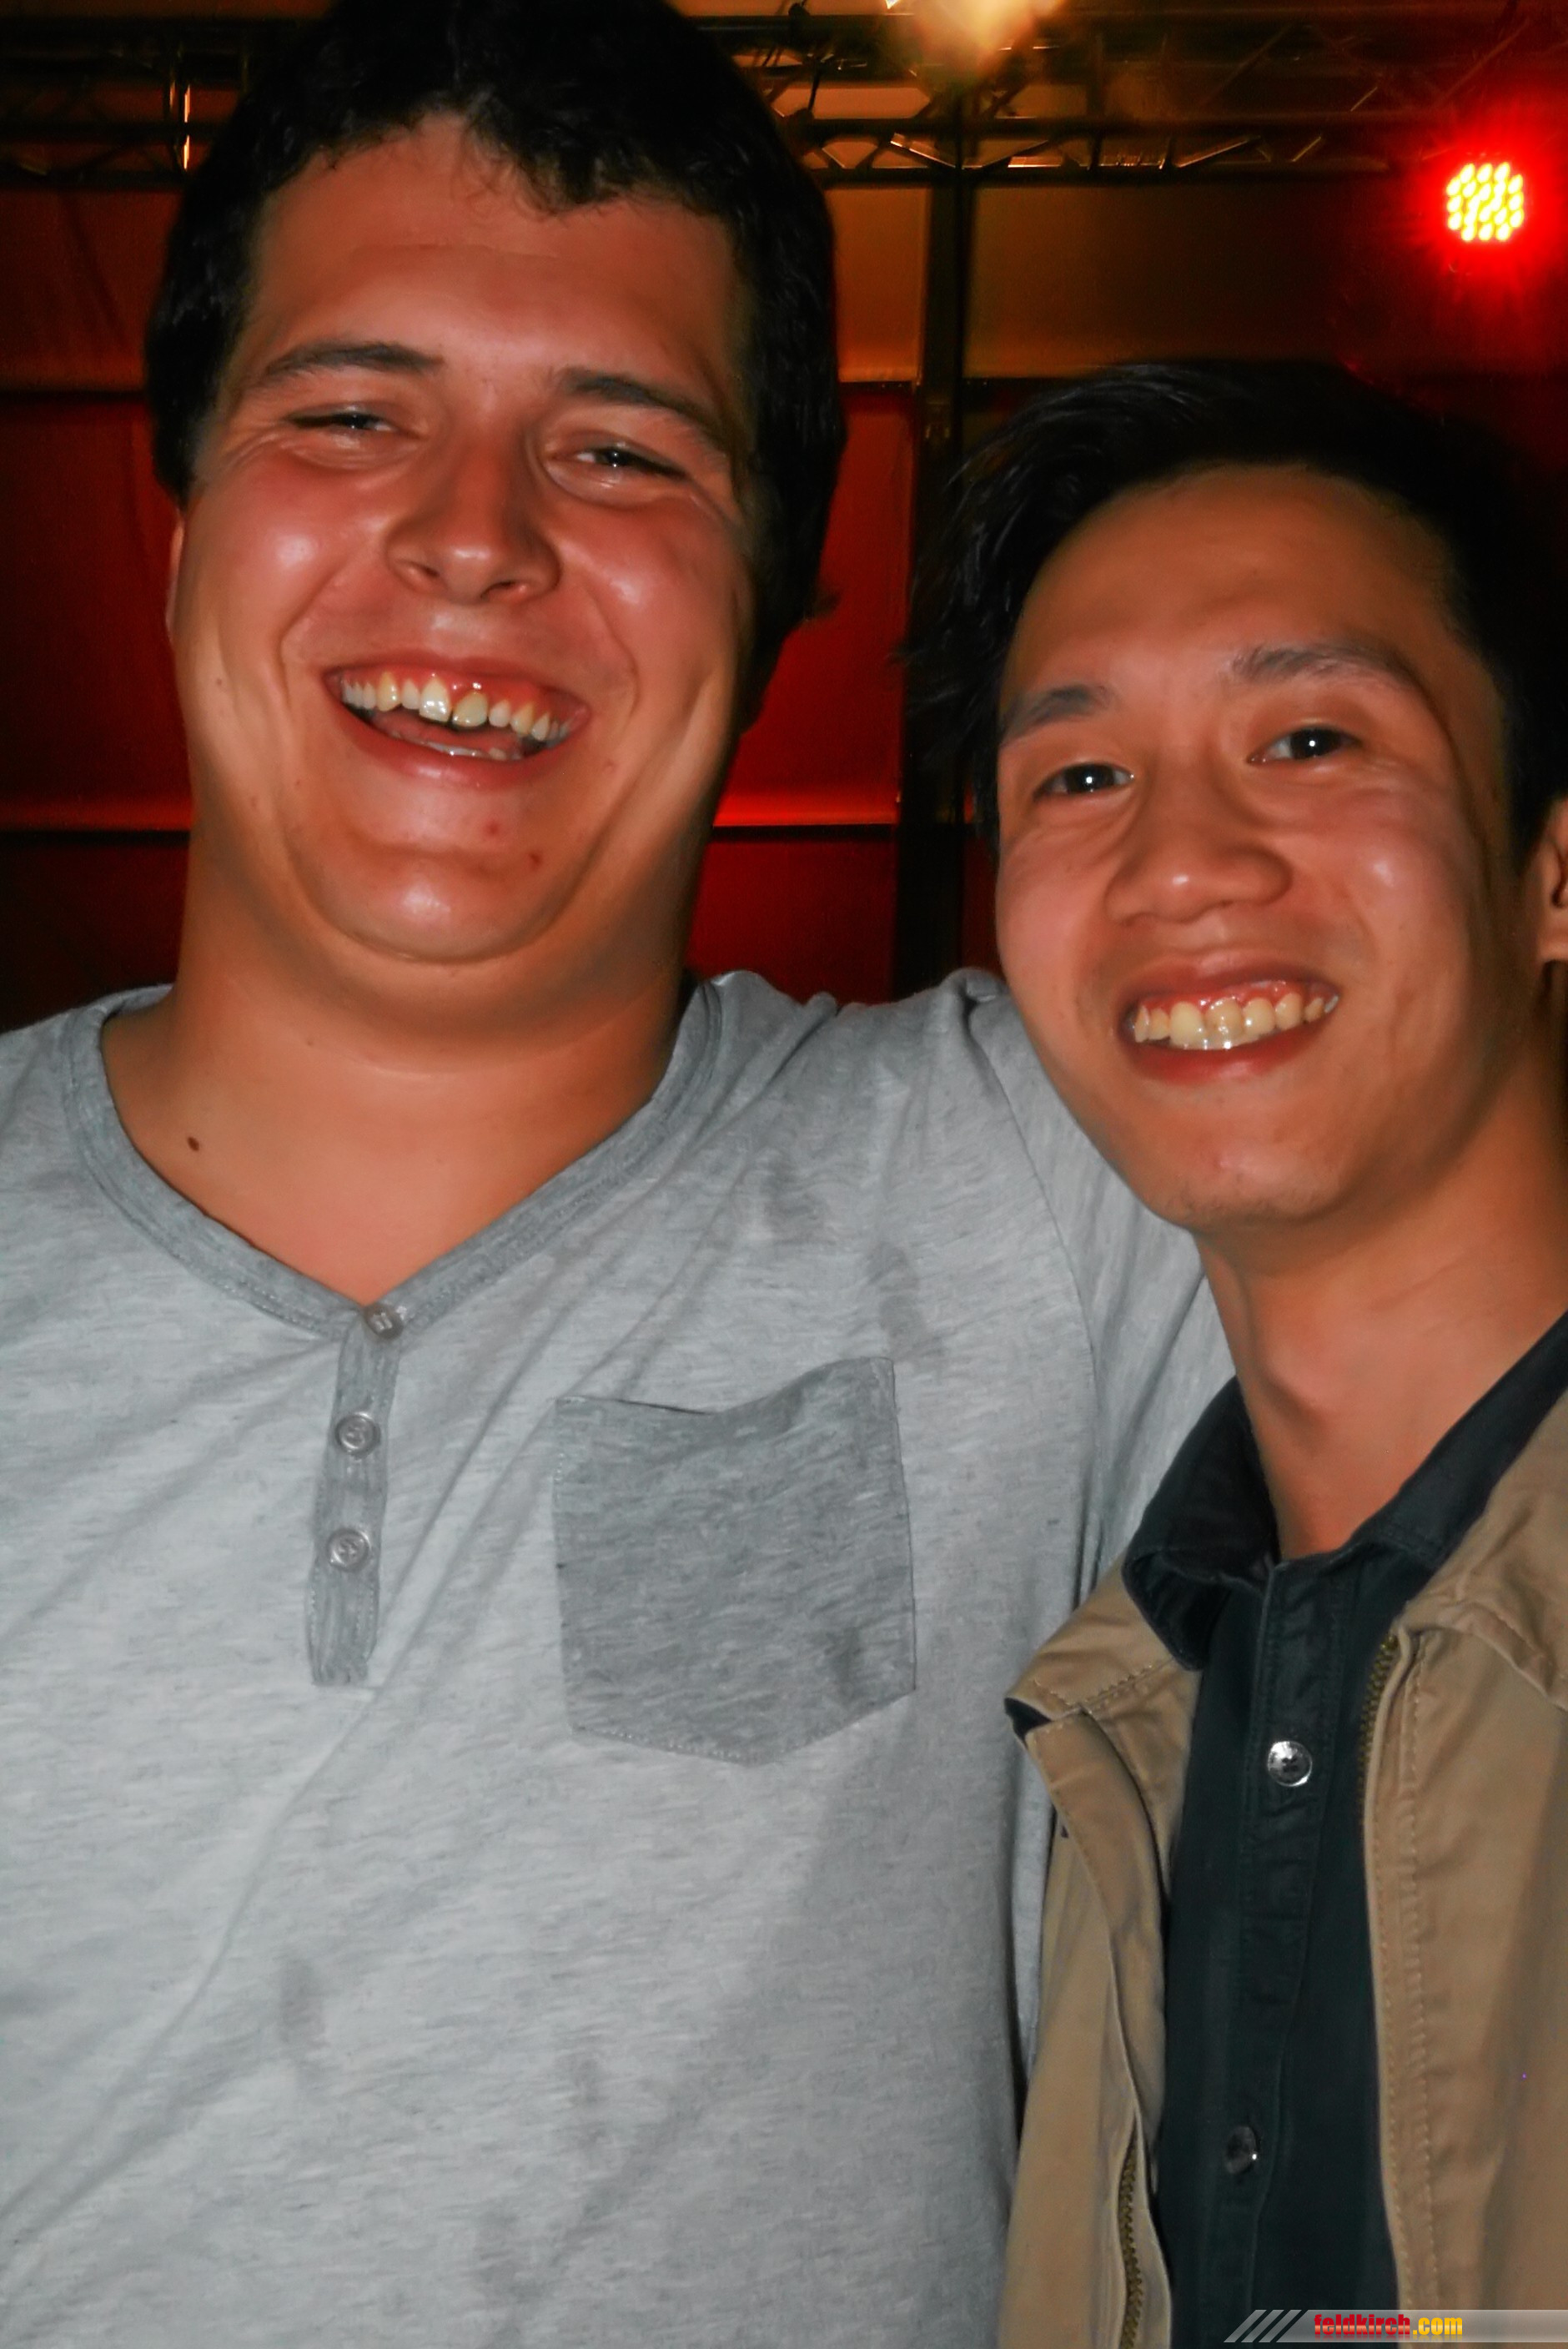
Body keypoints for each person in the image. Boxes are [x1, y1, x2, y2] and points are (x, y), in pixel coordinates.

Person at [0, 7, 1223, 2345]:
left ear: (774, 602)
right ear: (177, 535)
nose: (475, 537)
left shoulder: (1047, 1196)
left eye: (623, 452)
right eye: (349, 417)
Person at [907, 359, 1568, 2346]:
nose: (1180, 864)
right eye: (1077, 777)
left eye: (1308, 736)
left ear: (1549, 868)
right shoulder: (1138, 1694)